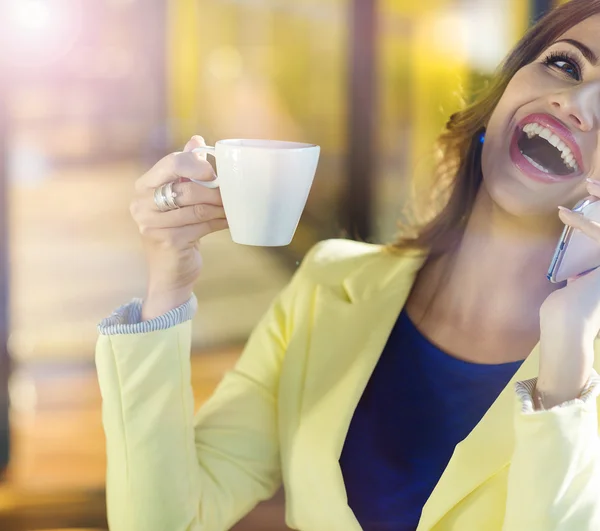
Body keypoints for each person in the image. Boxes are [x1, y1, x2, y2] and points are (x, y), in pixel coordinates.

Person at [96, 2, 600, 530]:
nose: (574, 104)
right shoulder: (328, 284)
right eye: (566, 65)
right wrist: (167, 285)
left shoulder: (581, 367)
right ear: (503, 95)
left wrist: (566, 353)